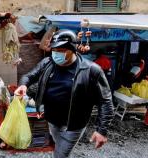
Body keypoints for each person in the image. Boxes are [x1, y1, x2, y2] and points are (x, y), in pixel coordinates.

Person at [15, 29, 114, 158]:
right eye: (55, 50)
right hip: (52, 120)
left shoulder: (91, 70)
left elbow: (105, 101)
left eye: (61, 51)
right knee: (59, 146)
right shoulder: (47, 63)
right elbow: (29, 76)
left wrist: (102, 131)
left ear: (73, 49)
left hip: (73, 125)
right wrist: (23, 85)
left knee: (60, 155)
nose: (56, 54)